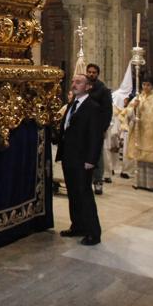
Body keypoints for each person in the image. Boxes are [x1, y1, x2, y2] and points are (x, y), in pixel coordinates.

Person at [54, 73, 103, 246]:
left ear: (88, 86)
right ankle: (77, 226)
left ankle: (93, 232)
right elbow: (67, 129)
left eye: (79, 82)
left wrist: (91, 159)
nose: (74, 85)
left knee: (84, 194)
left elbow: (96, 136)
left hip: (83, 159)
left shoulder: (93, 107)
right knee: (73, 194)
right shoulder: (71, 105)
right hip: (69, 156)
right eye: (73, 82)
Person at [85, 63, 114, 195]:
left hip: (97, 127)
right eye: (89, 72)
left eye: (94, 72)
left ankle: (98, 181)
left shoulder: (103, 89)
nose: (91, 74)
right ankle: (86, 180)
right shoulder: (83, 86)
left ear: (97, 74)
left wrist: (103, 128)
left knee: (97, 155)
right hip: (84, 126)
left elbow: (108, 111)